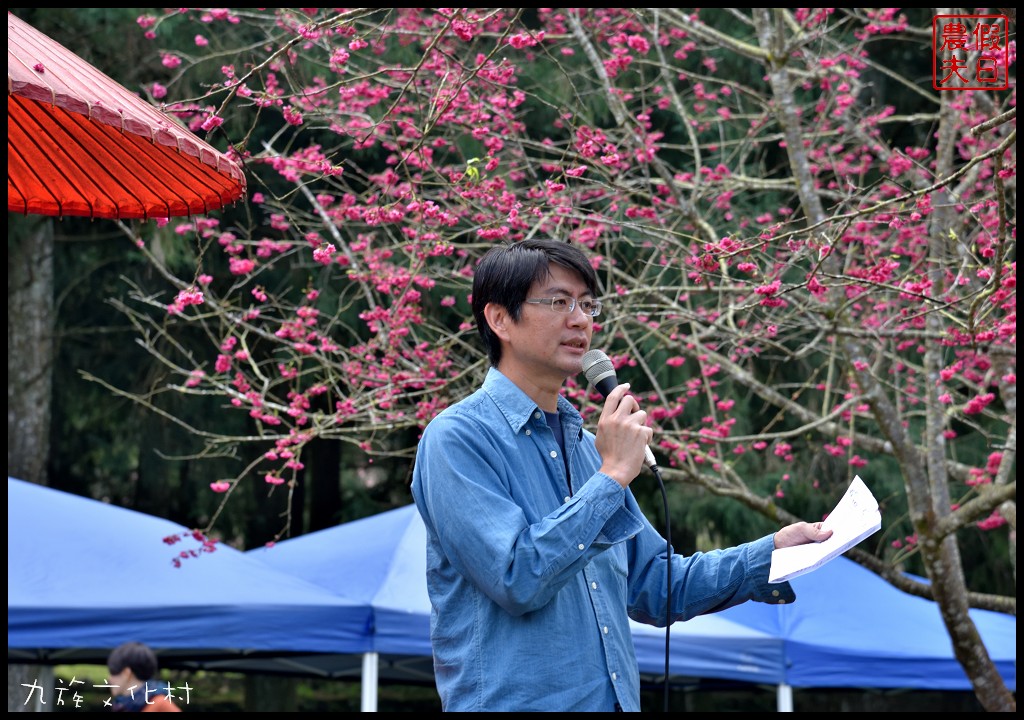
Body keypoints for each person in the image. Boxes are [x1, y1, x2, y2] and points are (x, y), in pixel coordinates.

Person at [411, 238, 832, 712]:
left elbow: (654, 582)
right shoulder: (458, 439)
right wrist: (611, 476)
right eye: (558, 301)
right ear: (500, 319)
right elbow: (515, 577)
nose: (581, 320)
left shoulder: (590, 451)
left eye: (588, 304)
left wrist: (770, 555)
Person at [106, 642, 183, 712]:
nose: (109, 679)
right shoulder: (123, 705)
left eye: (113, 673)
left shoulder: (159, 703)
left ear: (127, 673)